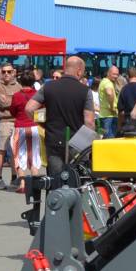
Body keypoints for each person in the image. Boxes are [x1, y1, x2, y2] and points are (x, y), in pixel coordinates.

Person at [32, 54, 95, 182]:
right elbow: (89, 122)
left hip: (53, 139)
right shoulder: (85, 91)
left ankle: (54, 200)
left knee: (55, 180)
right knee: (76, 180)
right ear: (79, 71)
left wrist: (43, 123)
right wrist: (84, 144)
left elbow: (29, 108)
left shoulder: (48, 86)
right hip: (77, 142)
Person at [9, 69, 42, 198]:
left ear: (20, 81)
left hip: (20, 126)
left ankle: (22, 184)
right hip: (34, 126)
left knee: (18, 155)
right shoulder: (37, 94)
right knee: (33, 155)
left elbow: (12, 111)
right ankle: (35, 182)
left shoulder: (17, 95)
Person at [0, 63, 20, 190]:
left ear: (14, 72)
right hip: (4, 121)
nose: (6, 74)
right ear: (0, 73)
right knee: (2, 150)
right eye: (4, 72)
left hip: (17, 121)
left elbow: (20, 102)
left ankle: (14, 177)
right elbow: (3, 103)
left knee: (15, 151)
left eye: (9, 71)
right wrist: (13, 99)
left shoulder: (18, 85)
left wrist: (9, 99)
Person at [96, 65, 121, 138]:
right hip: (109, 115)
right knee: (110, 139)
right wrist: (112, 107)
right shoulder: (108, 83)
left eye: (117, 74)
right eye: (114, 74)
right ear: (108, 73)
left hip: (104, 115)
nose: (116, 76)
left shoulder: (103, 81)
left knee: (106, 137)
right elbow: (109, 93)